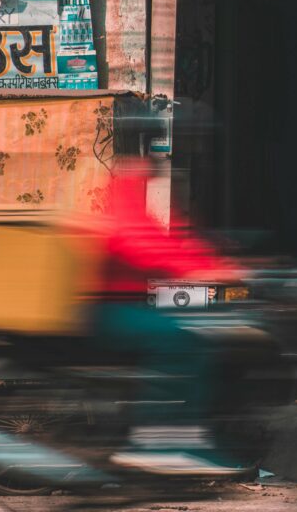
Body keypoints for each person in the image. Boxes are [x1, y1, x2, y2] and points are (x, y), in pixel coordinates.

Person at [92, 157, 252, 476]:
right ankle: (160, 444)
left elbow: (164, 241)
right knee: (184, 338)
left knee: (194, 325)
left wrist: (211, 262)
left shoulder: (133, 195)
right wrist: (204, 269)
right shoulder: (127, 194)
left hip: (125, 303)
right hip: (111, 310)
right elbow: (140, 242)